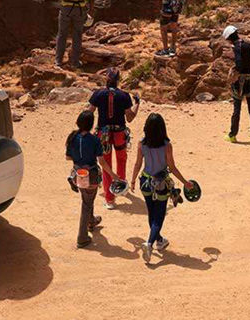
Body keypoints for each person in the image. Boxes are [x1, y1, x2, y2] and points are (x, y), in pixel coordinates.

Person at [129, 113, 192, 263]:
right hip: (161, 183)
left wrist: (132, 181)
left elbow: (138, 164)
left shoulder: (141, 144)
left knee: (151, 212)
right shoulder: (166, 146)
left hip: (145, 181)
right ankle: (149, 243)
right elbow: (172, 167)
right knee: (159, 215)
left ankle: (159, 240)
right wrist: (185, 182)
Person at [88, 67, 140, 210]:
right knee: (122, 159)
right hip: (119, 133)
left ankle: (109, 199)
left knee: (106, 164)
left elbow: (89, 112)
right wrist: (137, 104)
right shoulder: (124, 96)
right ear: (118, 80)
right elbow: (129, 118)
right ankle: (121, 187)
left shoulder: (98, 94)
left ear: (106, 79)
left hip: (103, 134)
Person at [65, 111, 116, 248]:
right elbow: (102, 161)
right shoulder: (94, 140)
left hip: (77, 174)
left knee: (87, 198)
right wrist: (113, 175)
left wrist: (79, 160)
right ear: (91, 124)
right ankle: (82, 237)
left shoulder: (72, 137)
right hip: (91, 175)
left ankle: (91, 221)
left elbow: (68, 157)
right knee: (87, 203)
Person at [223, 25, 250, 142]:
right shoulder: (247, 44)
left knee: (237, 109)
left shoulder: (237, 47)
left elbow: (239, 63)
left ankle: (232, 135)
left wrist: (235, 73)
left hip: (240, 82)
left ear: (229, 38)